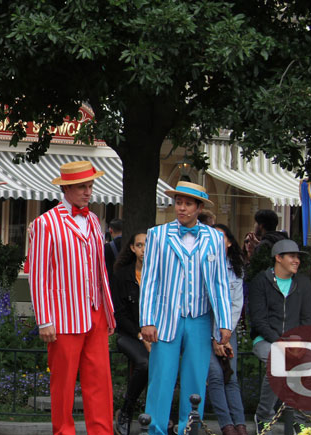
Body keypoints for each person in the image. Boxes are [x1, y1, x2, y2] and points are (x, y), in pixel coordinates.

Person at [28, 160, 115, 435]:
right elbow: (37, 274)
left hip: (96, 311)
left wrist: (109, 312)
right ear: (66, 188)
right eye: (82, 186)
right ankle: (63, 432)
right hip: (63, 316)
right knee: (63, 385)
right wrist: (44, 320)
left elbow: (101, 270)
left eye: (90, 186)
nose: (88, 192)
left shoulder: (93, 220)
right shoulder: (46, 223)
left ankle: (102, 432)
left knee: (100, 381)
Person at [141, 181, 232, 435]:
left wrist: (224, 322)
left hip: (200, 319)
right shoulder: (158, 235)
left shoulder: (214, 238)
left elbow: (220, 282)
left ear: (199, 207)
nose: (181, 208)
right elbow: (149, 280)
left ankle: (189, 430)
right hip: (166, 318)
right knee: (161, 380)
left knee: (195, 382)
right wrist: (147, 320)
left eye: (187, 204)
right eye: (178, 202)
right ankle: (155, 431)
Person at [248, 239, 311, 432]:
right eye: (292, 256)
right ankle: (264, 415)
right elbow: (259, 320)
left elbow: (307, 318)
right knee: (277, 360)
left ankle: (300, 418)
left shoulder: (303, 283)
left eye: (298, 258)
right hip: (267, 340)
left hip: (297, 340)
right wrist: (281, 342)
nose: (297, 261)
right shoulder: (261, 281)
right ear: (278, 258)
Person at [204, 224, 247, 435]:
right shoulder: (203, 265)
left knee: (231, 377)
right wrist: (215, 336)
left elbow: (236, 304)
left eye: (220, 238)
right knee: (215, 376)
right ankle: (227, 425)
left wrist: (224, 335)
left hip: (226, 333)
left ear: (229, 242)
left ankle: (240, 424)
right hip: (206, 331)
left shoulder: (236, 268)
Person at [110, 230, 148, 435]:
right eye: (140, 245)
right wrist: (140, 335)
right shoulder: (122, 275)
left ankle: (159, 414)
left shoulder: (159, 274)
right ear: (133, 248)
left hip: (155, 335)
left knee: (165, 364)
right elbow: (120, 313)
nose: (144, 249)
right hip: (128, 334)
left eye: (147, 245)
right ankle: (126, 410)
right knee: (144, 363)